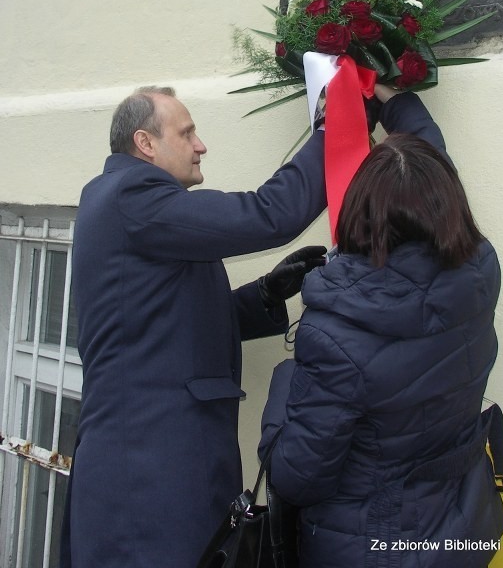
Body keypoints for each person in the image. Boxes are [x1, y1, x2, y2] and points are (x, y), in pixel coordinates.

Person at [60, 85, 327, 568]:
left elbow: (166, 319)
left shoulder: (133, 205)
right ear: (145, 144)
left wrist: (265, 293)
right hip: (147, 477)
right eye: (187, 133)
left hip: (161, 464)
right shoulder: (133, 196)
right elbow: (270, 214)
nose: (200, 144)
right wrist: (331, 131)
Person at [259, 85, 503, 567]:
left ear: (359, 212)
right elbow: (436, 171)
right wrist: (397, 101)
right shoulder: (479, 274)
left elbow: (295, 477)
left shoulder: (337, 336)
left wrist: (286, 380)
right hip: (458, 530)